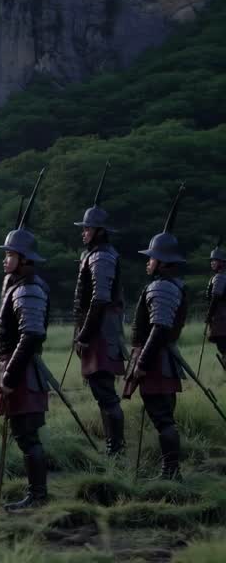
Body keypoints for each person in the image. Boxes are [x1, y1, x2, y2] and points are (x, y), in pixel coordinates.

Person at [0, 174, 52, 511]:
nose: (5, 258)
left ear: (24, 258)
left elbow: (30, 336)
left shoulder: (28, 289)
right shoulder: (18, 284)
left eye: (10, 254)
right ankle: (36, 494)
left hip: (23, 372)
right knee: (24, 436)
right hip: (19, 369)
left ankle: (38, 496)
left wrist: (10, 378)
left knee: (28, 437)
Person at [126, 186, 189, 480]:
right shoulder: (172, 284)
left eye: (152, 258)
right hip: (163, 361)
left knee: (163, 419)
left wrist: (141, 364)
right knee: (164, 418)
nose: (148, 262)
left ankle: (170, 471)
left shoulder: (162, 286)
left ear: (163, 262)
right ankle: (170, 469)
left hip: (157, 363)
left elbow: (159, 328)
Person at [72, 167, 127, 456]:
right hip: (98, 332)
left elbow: (100, 299)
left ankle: (115, 450)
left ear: (100, 231)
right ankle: (112, 447)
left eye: (88, 228)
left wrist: (84, 335)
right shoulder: (94, 255)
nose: (84, 232)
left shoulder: (103, 256)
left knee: (106, 395)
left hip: (101, 334)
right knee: (101, 393)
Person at [207, 239, 226, 369]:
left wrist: (209, 316)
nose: (212, 263)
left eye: (215, 260)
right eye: (211, 260)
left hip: (221, 320)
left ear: (222, 262)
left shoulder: (220, 277)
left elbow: (215, 297)